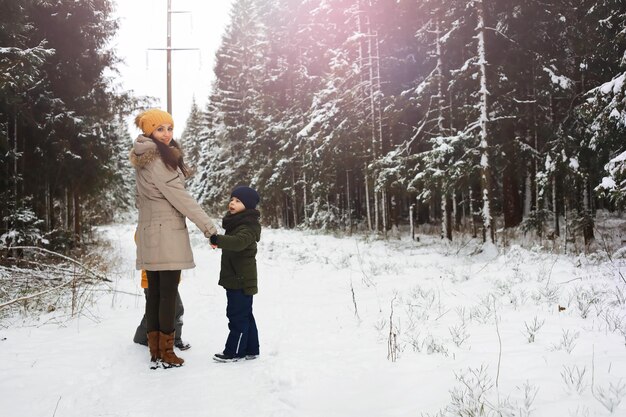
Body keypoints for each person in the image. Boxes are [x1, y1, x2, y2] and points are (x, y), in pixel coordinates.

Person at [130, 108, 217, 369]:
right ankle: (166, 352)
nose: (166, 134)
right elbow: (182, 199)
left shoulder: (143, 156)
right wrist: (209, 228)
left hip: (150, 231)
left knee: (155, 294)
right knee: (166, 293)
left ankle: (156, 350)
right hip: (165, 233)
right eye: (160, 129)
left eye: (169, 128)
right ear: (149, 132)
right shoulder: (157, 161)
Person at [209, 186, 261, 362]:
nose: (232, 203)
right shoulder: (238, 223)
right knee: (245, 314)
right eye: (232, 199)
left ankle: (235, 351)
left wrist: (219, 240)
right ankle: (251, 349)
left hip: (240, 280)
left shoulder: (247, 226)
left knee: (237, 316)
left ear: (248, 206)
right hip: (237, 278)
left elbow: (238, 243)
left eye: (238, 201)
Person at [132, 270, 190, 351]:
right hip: (159, 279)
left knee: (154, 312)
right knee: (174, 310)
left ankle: (141, 338)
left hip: (164, 279)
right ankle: (175, 340)